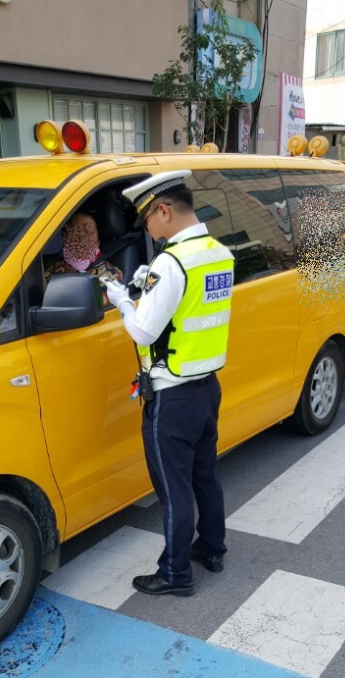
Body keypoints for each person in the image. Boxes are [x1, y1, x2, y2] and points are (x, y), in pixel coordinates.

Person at [104, 170, 234, 597]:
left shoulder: (171, 261)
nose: (148, 229)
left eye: (147, 220)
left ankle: (175, 574)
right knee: (204, 476)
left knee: (173, 488)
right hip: (206, 387)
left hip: (172, 396)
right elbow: (189, 311)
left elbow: (143, 331)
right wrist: (149, 289)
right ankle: (212, 549)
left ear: (163, 211)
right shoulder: (217, 253)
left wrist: (123, 301)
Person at [45, 211, 122, 308]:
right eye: (75, 233)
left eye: (88, 233)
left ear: (98, 240)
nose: (82, 239)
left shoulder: (111, 275)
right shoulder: (53, 271)